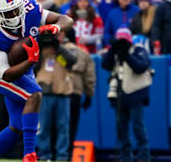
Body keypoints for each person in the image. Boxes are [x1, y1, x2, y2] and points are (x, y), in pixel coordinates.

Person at [0, 0, 73, 162]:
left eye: (17, 9)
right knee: (34, 95)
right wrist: (30, 60)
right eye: (9, 13)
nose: (15, 15)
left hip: (26, 70)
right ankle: (30, 154)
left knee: (16, 127)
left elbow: (67, 19)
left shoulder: (30, 10)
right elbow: (6, 74)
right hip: (3, 76)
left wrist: (55, 27)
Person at [101, 27, 152, 162]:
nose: (122, 43)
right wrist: (113, 49)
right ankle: (125, 157)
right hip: (120, 96)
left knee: (138, 127)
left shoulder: (138, 50)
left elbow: (141, 66)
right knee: (121, 129)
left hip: (136, 93)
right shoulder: (116, 52)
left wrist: (127, 56)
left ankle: (143, 157)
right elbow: (105, 65)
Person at [34, 32, 77, 161]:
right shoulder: (41, 50)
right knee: (44, 127)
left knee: (63, 126)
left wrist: (57, 47)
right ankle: (44, 154)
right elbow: (34, 67)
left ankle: (62, 155)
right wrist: (40, 46)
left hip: (62, 93)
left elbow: (73, 60)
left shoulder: (65, 49)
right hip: (44, 93)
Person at [63, 28, 96, 158]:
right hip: (75, 92)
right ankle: (67, 155)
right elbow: (90, 78)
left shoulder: (55, 51)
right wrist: (89, 95)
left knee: (56, 126)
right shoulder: (83, 53)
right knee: (72, 126)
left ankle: (53, 156)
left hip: (58, 92)